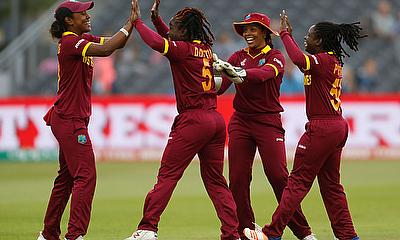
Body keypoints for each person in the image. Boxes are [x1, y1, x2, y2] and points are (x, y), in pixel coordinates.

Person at [244, 10, 366, 240]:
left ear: (319, 41)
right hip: (336, 126)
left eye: (309, 36)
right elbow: (303, 63)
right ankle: (348, 236)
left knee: (297, 182)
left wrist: (285, 35)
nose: (305, 39)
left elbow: (299, 60)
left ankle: (271, 233)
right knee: (331, 187)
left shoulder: (323, 60)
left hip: (322, 128)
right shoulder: (330, 60)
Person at [124, 0, 240, 239]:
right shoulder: (204, 48)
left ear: (185, 31)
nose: (170, 27)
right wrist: (156, 20)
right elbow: (168, 37)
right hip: (215, 120)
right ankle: (232, 233)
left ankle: (147, 229)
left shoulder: (182, 50)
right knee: (216, 181)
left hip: (193, 120)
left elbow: (158, 43)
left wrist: (138, 22)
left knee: (167, 176)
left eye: (174, 25)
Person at [37, 1, 135, 240]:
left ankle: (49, 234)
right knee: (86, 176)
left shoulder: (82, 40)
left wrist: (132, 24)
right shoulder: (72, 42)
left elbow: (114, 43)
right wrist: (131, 22)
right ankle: (75, 235)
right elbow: (106, 50)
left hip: (69, 118)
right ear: (69, 21)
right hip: (70, 120)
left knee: (66, 179)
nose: (87, 16)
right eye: (83, 13)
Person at [213, 13, 315, 240]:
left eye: (253, 29)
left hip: (268, 122)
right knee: (238, 178)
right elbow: (220, 88)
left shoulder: (276, 56)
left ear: (265, 33)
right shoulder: (237, 56)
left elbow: (262, 75)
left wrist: (237, 72)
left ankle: (304, 233)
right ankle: (245, 230)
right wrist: (202, 78)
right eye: (245, 30)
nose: (247, 33)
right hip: (241, 121)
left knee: (278, 176)